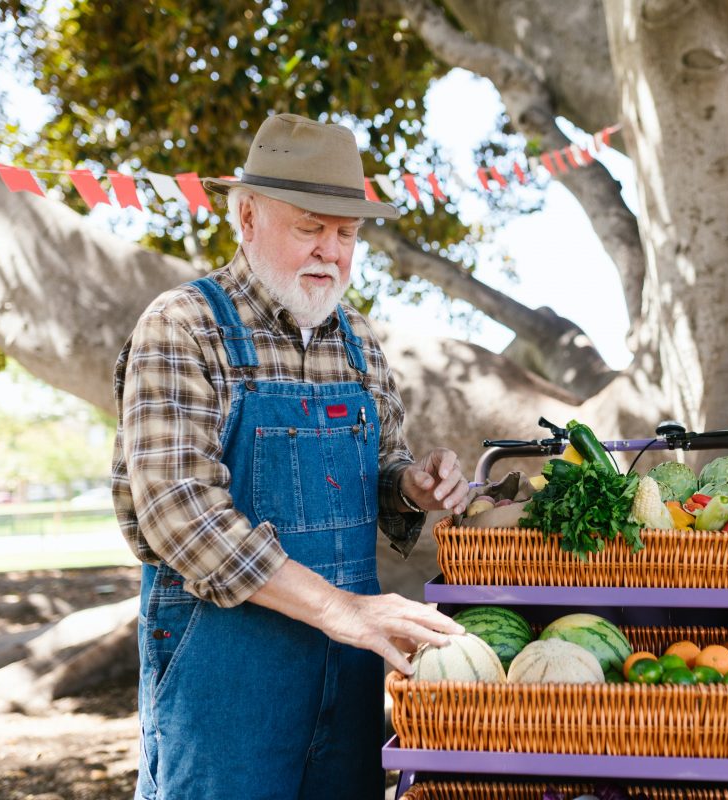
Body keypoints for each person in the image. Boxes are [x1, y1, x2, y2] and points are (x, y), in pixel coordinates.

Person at [111, 113, 468, 799]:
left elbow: (382, 468)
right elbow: (180, 515)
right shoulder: (182, 326)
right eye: (310, 227)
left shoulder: (358, 340)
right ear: (247, 216)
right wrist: (345, 611)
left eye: (346, 233)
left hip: (350, 677)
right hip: (222, 687)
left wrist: (411, 485)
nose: (331, 252)